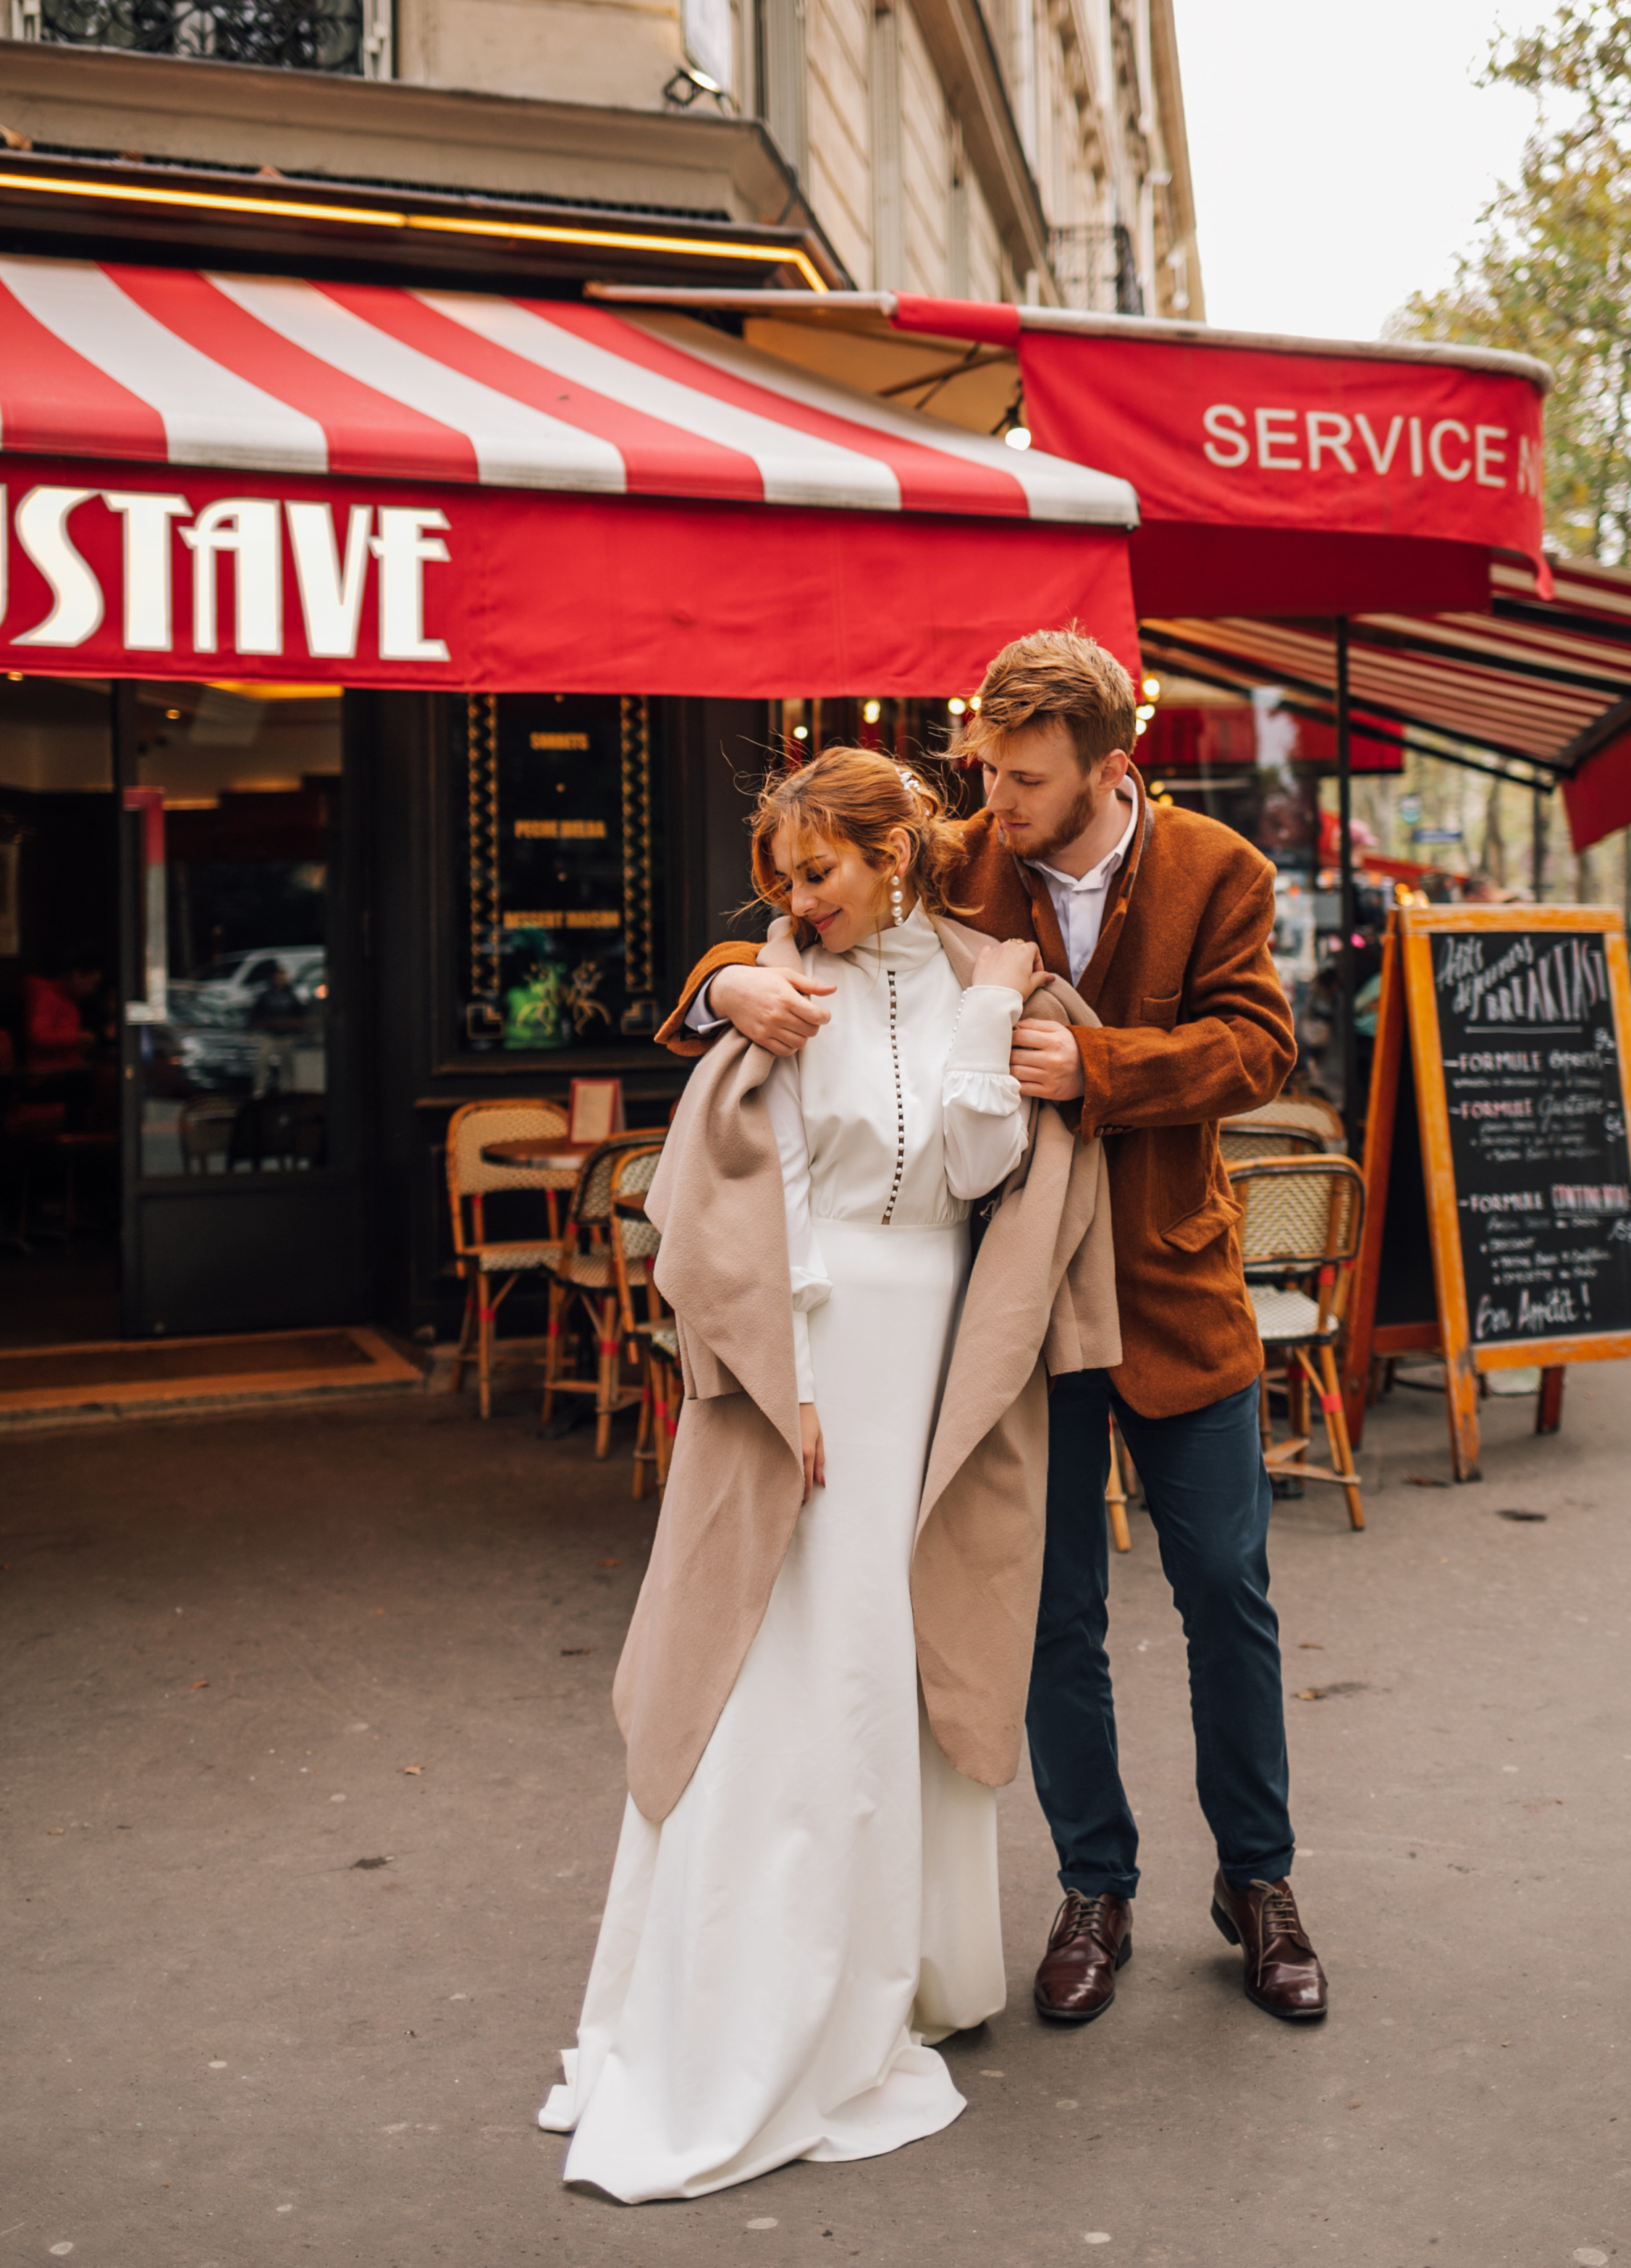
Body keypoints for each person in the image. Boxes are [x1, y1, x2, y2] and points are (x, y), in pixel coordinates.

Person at [663, 630, 1328, 2029]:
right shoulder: (959, 854)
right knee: (1051, 1615)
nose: (995, 801)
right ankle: (1097, 1884)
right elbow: (810, 905)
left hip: (1175, 1293)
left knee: (1226, 1594)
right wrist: (725, 985)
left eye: (1024, 779)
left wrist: (1101, 1066)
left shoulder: (1223, 870)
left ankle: (1258, 1884)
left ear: (1108, 765)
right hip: (1019, 1317)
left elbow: (1257, 1050)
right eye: (985, 769)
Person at [541, 746, 1119, 2201]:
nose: (798, 902)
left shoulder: (987, 968)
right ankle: (761, 1988)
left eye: (820, 872)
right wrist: (778, 1380)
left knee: (908, 1641)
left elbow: (990, 1162)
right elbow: (760, 1185)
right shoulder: (774, 983)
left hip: (938, 1348)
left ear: (896, 853)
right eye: (781, 881)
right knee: (796, 1654)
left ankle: (916, 1968)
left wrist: (990, 1015)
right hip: (816, 1352)